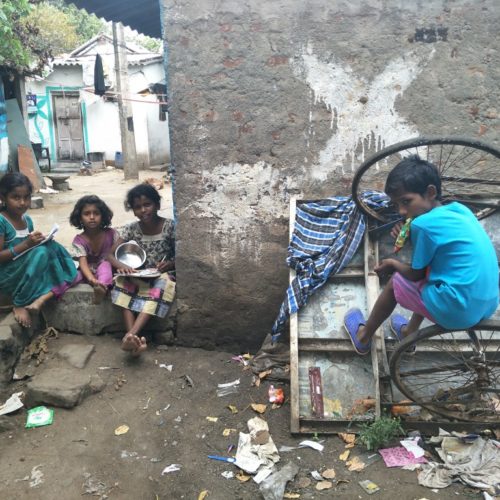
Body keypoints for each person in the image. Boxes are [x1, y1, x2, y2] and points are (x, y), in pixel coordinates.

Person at [343, 155, 499, 355]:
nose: (401, 211)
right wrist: (411, 236)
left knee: (397, 282)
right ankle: (409, 332)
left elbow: (415, 274)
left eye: (406, 201)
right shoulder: (460, 210)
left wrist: (392, 263)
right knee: (432, 276)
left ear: (430, 192)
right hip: (488, 302)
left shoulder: (422, 225)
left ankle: (363, 336)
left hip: (459, 310)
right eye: (396, 204)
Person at [0, 172, 77, 327]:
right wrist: (26, 245)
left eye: (26, 197)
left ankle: (66, 274)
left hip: (22, 270)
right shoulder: (2, 221)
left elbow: (29, 250)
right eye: (16, 197)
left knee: (51, 246)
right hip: (7, 275)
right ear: (3, 198)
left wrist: (40, 241)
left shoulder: (27, 220)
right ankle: (19, 303)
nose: (22, 202)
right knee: (41, 253)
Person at [107, 183, 175, 355]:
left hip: (163, 274)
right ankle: (133, 340)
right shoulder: (132, 229)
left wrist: (170, 264)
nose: (143, 210)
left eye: (147, 204)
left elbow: (182, 255)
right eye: (137, 207)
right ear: (133, 210)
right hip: (140, 274)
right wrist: (123, 267)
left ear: (157, 205)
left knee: (161, 286)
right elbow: (110, 255)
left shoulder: (170, 226)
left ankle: (130, 335)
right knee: (121, 283)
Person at [63, 195, 117, 303]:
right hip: (86, 272)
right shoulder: (79, 240)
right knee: (72, 276)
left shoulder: (111, 234)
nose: (92, 217)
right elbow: (83, 263)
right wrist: (91, 279)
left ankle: (101, 288)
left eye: (96, 213)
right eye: (87, 214)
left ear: (103, 216)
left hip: (106, 272)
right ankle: (48, 294)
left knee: (105, 265)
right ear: (80, 218)